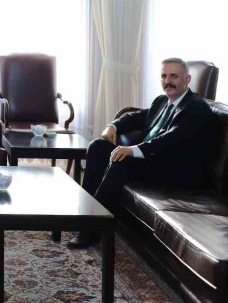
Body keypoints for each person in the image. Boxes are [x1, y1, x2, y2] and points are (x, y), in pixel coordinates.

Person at [68, 57, 214, 249]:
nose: (167, 81)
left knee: (121, 160)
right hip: (152, 162)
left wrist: (132, 150)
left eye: (174, 76)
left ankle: (92, 229)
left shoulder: (196, 108)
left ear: (187, 80)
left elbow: (171, 138)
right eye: (163, 76)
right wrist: (113, 126)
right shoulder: (162, 101)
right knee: (97, 147)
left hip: (174, 170)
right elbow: (137, 117)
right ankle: (85, 216)